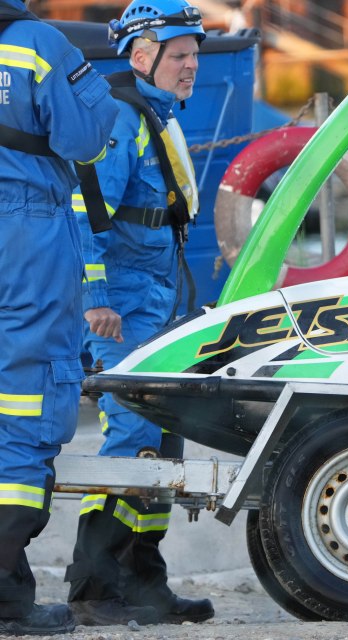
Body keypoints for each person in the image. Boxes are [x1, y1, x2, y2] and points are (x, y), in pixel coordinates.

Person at [64, 0, 213, 626]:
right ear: (142, 55)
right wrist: (96, 299)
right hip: (122, 305)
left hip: (157, 298)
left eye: (195, 57)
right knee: (129, 436)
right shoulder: (123, 119)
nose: (191, 67)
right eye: (180, 56)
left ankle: (144, 583)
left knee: (160, 439)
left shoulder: (158, 113)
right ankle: (95, 587)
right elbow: (86, 212)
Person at [0, 1, 119, 635]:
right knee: (27, 394)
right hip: (24, 230)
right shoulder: (35, 43)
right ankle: (3, 595)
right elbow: (85, 138)